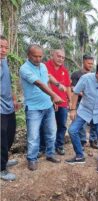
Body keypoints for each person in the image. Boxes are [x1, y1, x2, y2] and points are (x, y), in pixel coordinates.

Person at [19, 44, 63, 171]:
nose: (38, 59)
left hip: (47, 106)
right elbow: (39, 83)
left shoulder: (43, 66)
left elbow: (46, 78)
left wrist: (55, 88)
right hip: (33, 108)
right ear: (28, 55)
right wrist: (54, 95)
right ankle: (32, 159)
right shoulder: (24, 69)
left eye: (40, 56)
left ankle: (50, 154)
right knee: (33, 136)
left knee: (51, 132)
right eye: (35, 56)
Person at [44, 49, 71, 155]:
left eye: (63, 57)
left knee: (62, 125)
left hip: (63, 102)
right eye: (59, 56)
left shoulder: (65, 70)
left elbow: (68, 86)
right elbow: (44, 83)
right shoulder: (44, 67)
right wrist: (52, 98)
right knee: (46, 125)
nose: (61, 59)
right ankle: (45, 147)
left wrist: (70, 101)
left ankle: (59, 145)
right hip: (47, 101)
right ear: (52, 55)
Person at [0, 35, 20, 181]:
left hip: (8, 106)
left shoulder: (4, 61)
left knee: (10, 134)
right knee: (1, 138)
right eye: (0, 47)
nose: (4, 50)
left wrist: (13, 98)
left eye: (6, 47)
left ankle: (4, 160)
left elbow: (9, 81)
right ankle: (1, 169)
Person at [71, 55, 98, 148]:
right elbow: (73, 88)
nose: (90, 65)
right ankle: (82, 141)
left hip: (93, 103)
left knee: (94, 122)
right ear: (83, 62)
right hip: (80, 103)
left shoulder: (95, 76)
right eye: (88, 63)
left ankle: (93, 140)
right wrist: (85, 94)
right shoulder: (76, 74)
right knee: (82, 123)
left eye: (92, 63)